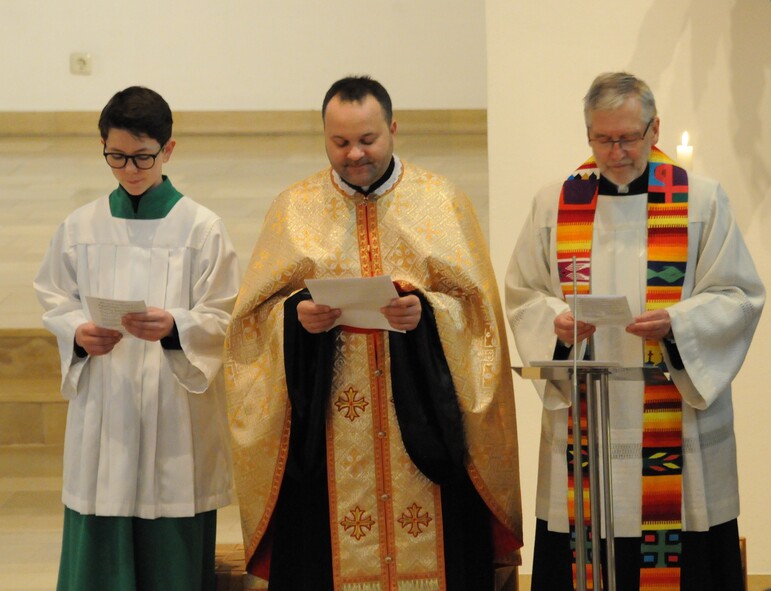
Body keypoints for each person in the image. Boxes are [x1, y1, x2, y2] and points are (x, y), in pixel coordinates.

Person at [224, 75, 522, 591]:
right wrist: (295, 317)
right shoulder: (293, 208)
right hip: (329, 426)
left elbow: (480, 318)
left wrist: (426, 313)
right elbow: (250, 324)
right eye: (340, 142)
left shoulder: (441, 202)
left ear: (393, 130)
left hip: (424, 422)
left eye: (367, 139)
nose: (355, 154)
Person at [506, 72, 764, 590]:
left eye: (628, 137)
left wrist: (678, 323)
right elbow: (523, 292)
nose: (616, 152)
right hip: (587, 418)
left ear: (654, 129)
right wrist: (555, 323)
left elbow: (738, 295)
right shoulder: (554, 203)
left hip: (673, 420)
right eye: (602, 139)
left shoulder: (701, 201)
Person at [33, 86, 241, 591]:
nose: (129, 169)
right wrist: (78, 333)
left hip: (173, 414)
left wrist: (175, 327)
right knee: (100, 512)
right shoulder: (81, 226)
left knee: (170, 533)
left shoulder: (202, 229)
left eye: (143, 156)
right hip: (105, 408)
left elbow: (224, 316)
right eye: (116, 156)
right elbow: (55, 299)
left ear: (168, 149)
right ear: (103, 147)